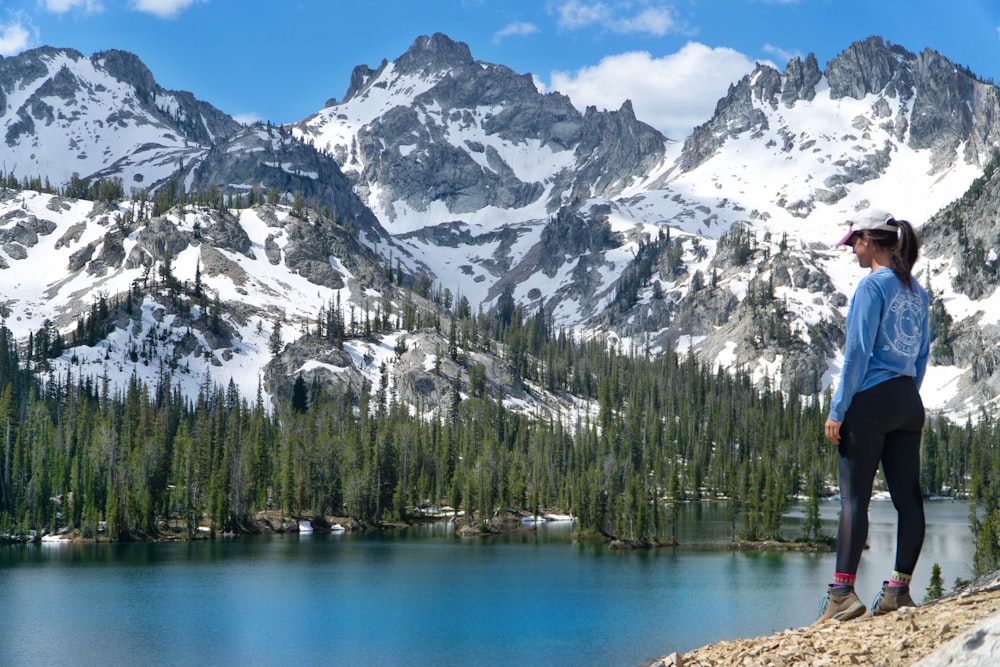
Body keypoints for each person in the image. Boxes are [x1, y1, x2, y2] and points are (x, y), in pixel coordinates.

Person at [814, 208, 930, 624]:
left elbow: (858, 354)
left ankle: (843, 593)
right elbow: (921, 355)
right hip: (907, 402)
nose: (852, 252)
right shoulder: (918, 291)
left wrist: (838, 409)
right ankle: (898, 590)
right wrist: (903, 400)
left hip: (870, 402)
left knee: (854, 499)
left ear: (868, 239)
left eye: (854, 244)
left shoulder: (872, 287)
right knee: (908, 500)